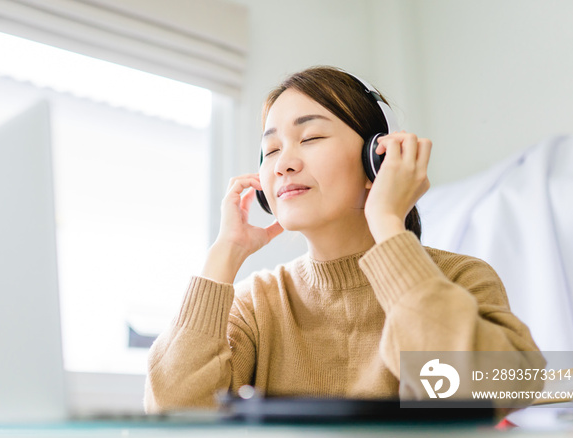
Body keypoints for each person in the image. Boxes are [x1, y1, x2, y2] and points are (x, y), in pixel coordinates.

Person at [144, 66, 540, 413]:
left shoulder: (461, 278)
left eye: (311, 138)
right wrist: (224, 255)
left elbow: (478, 389)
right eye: (271, 149)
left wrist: (387, 222)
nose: (283, 163)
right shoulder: (256, 305)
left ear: (377, 159)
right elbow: (175, 412)